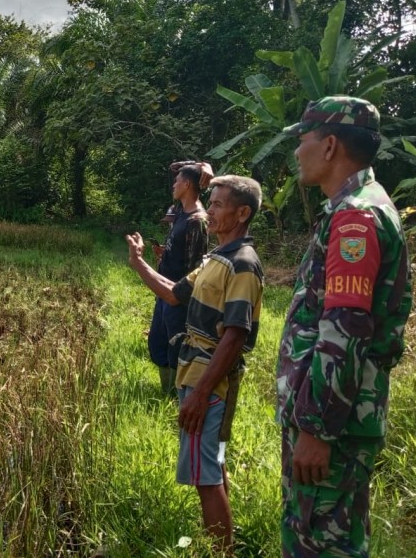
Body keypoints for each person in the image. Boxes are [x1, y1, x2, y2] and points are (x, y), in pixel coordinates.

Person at [277, 96, 412, 557]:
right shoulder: (355, 207)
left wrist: (316, 429)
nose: (298, 151)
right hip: (342, 419)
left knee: (319, 544)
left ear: (330, 145)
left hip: (334, 426)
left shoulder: (355, 216)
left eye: (303, 140)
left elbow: (345, 330)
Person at [126, 175, 264, 553]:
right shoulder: (216, 258)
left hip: (209, 380)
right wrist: (139, 263)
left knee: (205, 475)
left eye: (218, 204)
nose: (210, 210)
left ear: (242, 213)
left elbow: (235, 336)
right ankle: (222, 544)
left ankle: (219, 550)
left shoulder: (242, 265)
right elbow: (173, 294)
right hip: (196, 373)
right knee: (214, 463)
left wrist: (201, 394)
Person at [147, 164, 208, 395]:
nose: (173, 185)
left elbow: (195, 266)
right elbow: (174, 166)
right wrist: (166, 252)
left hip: (178, 296)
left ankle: (174, 395)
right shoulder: (181, 212)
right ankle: (165, 390)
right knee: (157, 341)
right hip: (164, 289)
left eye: (177, 181)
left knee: (176, 346)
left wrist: (204, 167)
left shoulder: (197, 221)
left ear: (187, 185)